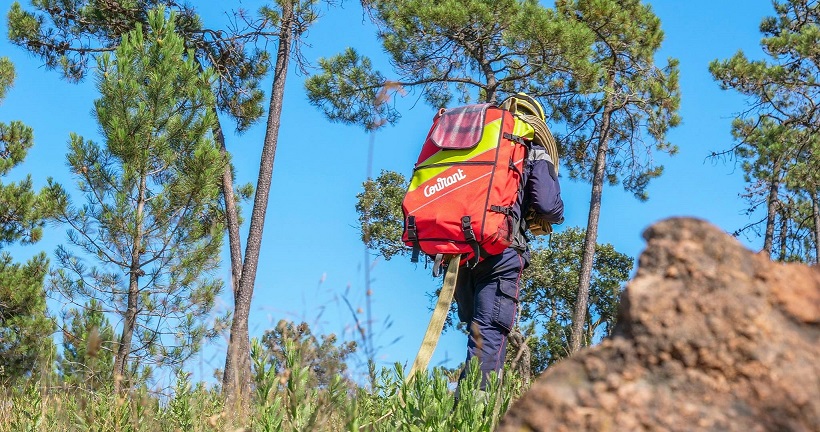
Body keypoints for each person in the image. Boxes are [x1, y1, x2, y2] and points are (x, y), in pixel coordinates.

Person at [453, 93, 564, 396]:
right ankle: (472, 415)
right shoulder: (530, 145)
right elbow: (547, 204)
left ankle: (464, 409)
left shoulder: (481, 140)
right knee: (489, 332)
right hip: (501, 249)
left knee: (478, 333)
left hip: (464, 252)